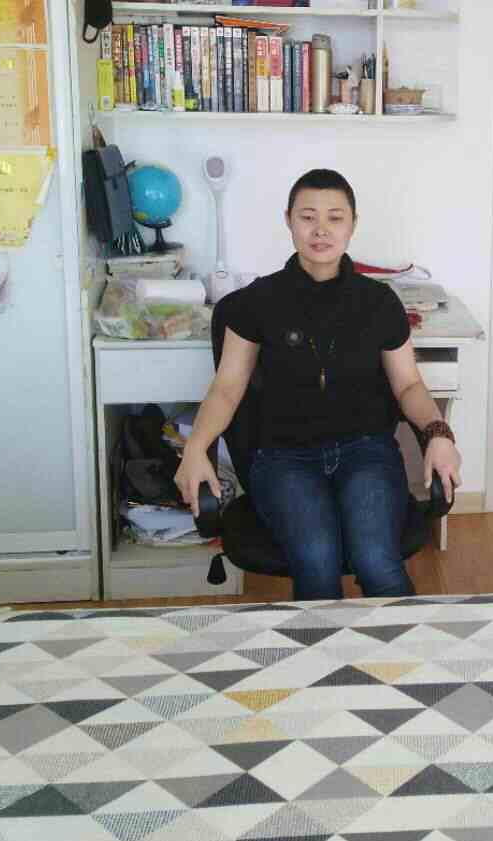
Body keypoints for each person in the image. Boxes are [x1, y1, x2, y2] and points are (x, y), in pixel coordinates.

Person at [175, 168, 462, 600]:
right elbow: (227, 388)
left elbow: (408, 386)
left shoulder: (379, 302)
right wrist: (196, 447)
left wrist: (438, 433)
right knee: (315, 558)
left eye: (335, 217)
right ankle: (322, 646)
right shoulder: (256, 302)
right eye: (307, 217)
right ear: (288, 221)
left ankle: (398, 645)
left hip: (366, 450)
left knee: (376, 558)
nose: (321, 230)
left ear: (352, 225)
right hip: (283, 458)